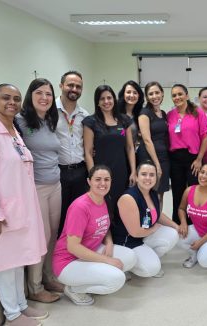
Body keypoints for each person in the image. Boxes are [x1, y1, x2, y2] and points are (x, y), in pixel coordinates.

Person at [0, 84, 48, 326]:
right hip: (0, 215)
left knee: (18, 260)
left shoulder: (14, 131)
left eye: (16, 98)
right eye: (5, 98)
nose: (11, 102)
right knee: (4, 264)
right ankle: (12, 315)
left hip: (20, 210)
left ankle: (22, 305)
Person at [52, 165, 137, 306]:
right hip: (68, 262)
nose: (102, 183)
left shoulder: (105, 199)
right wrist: (106, 260)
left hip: (91, 251)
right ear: (89, 181)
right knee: (116, 280)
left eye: (106, 179)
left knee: (131, 257)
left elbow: (104, 226)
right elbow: (73, 247)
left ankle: (98, 276)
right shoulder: (80, 207)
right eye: (98, 179)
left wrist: (109, 243)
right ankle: (74, 289)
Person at [15, 78, 63, 304]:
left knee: (53, 233)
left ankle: (48, 276)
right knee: (40, 237)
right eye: (39, 93)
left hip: (56, 184)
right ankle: (34, 287)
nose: (44, 97)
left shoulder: (50, 120)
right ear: (30, 95)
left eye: (48, 94)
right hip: (36, 187)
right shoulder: (20, 121)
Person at [115, 161, 180, 278]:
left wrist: (175, 226)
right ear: (136, 176)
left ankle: (146, 258)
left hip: (143, 236)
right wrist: (154, 228)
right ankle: (127, 263)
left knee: (173, 234)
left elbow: (157, 215)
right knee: (152, 269)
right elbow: (135, 232)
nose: (148, 178)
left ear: (156, 177)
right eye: (144, 174)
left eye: (152, 175)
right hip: (128, 242)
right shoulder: (128, 198)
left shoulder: (152, 193)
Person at [83, 85, 137, 220]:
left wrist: (133, 171)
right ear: (97, 102)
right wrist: (93, 177)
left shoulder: (124, 120)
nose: (106, 101)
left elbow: (130, 148)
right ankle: (105, 235)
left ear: (114, 99)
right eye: (102, 99)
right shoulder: (91, 121)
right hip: (101, 173)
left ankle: (119, 235)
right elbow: (88, 152)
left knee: (121, 204)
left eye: (109, 97)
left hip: (121, 171)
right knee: (103, 205)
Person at [167, 84, 207, 224]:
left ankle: (193, 223)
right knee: (177, 192)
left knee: (193, 192)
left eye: (180, 94)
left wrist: (199, 159)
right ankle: (177, 222)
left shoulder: (197, 112)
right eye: (174, 95)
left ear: (187, 95)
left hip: (193, 159)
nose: (177, 97)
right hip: (175, 159)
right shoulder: (170, 115)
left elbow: (205, 136)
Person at [56, 71, 89, 236]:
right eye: (70, 85)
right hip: (57, 172)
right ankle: (59, 255)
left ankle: (76, 250)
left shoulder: (85, 115)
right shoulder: (49, 112)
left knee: (78, 214)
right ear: (61, 86)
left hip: (80, 171)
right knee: (59, 216)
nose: (74, 89)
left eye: (78, 86)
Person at [138, 81, 170, 207]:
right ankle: (148, 222)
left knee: (160, 193)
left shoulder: (164, 113)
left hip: (164, 157)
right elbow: (146, 140)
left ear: (162, 94)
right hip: (149, 158)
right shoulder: (144, 114)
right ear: (147, 97)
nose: (154, 96)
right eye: (150, 94)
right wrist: (157, 165)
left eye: (157, 92)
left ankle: (158, 222)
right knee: (150, 192)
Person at [118, 80, 144, 149]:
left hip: (133, 153)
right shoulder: (116, 113)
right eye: (128, 92)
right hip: (118, 152)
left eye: (135, 93)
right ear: (123, 94)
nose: (131, 95)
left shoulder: (141, 115)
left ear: (139, 96)